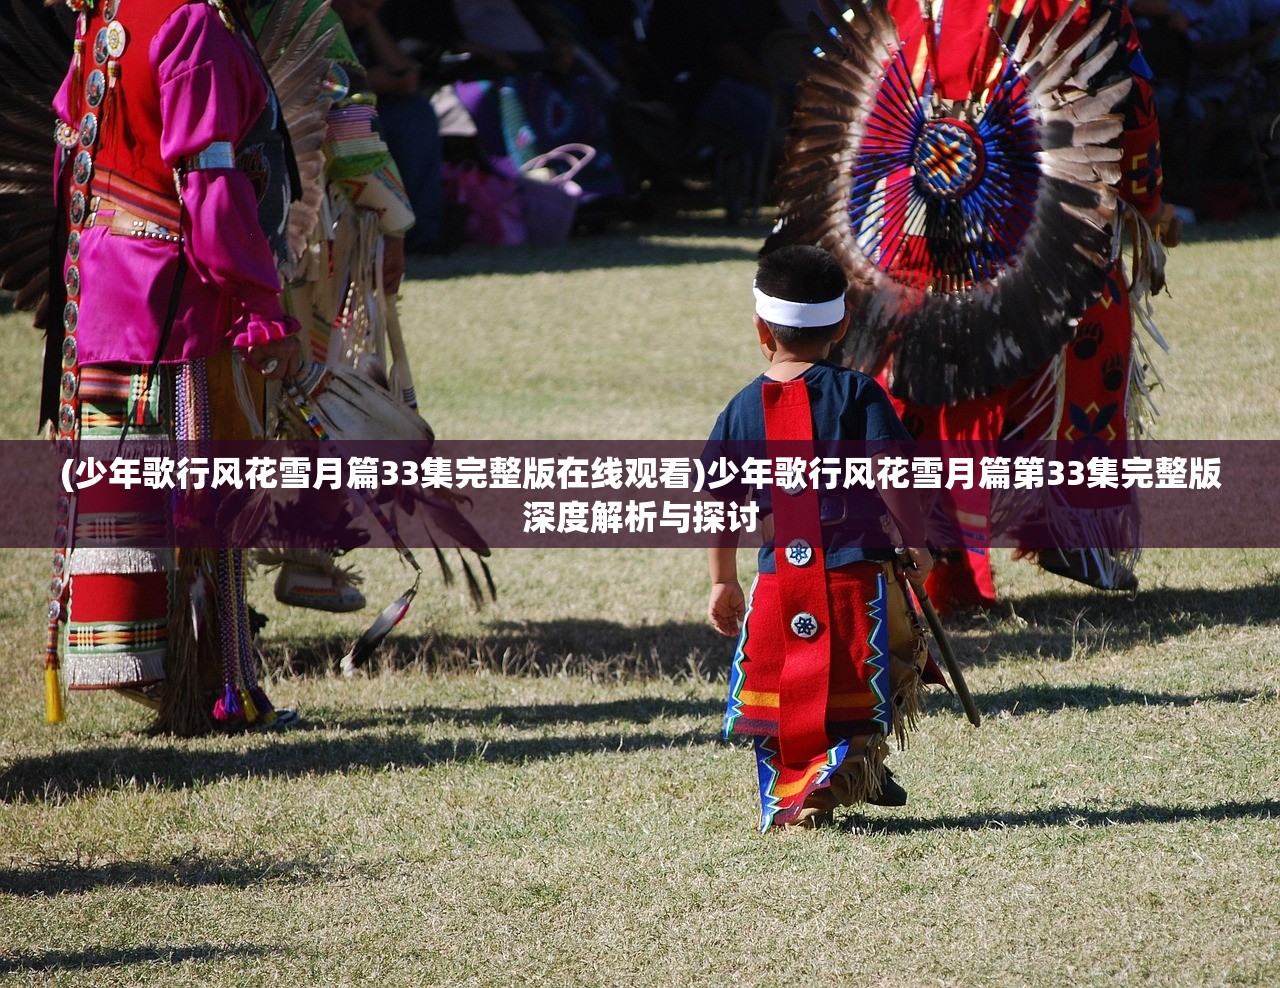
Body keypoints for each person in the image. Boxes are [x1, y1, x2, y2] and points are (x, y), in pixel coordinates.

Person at [44, 0, 303, 733]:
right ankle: (220, 693)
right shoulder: (193, 23)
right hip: (178, 291)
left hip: (106, 280)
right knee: (203, 500)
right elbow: (208, 182)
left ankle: (193, 684)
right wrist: (261, 302)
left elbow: (74, 148)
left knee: (161, 490)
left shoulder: (108, 12)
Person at [704, 245, 938, 831]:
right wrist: (917, 542)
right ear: (842, 325)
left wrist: (722, 580)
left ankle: (827, 781)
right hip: (856, 577)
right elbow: (897, 477)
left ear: (761, 328)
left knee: (791, 694)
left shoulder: (739, 410)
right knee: (883, 668)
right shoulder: (860, 396)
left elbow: (719, 503)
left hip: (781, 582)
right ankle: (840, 781)